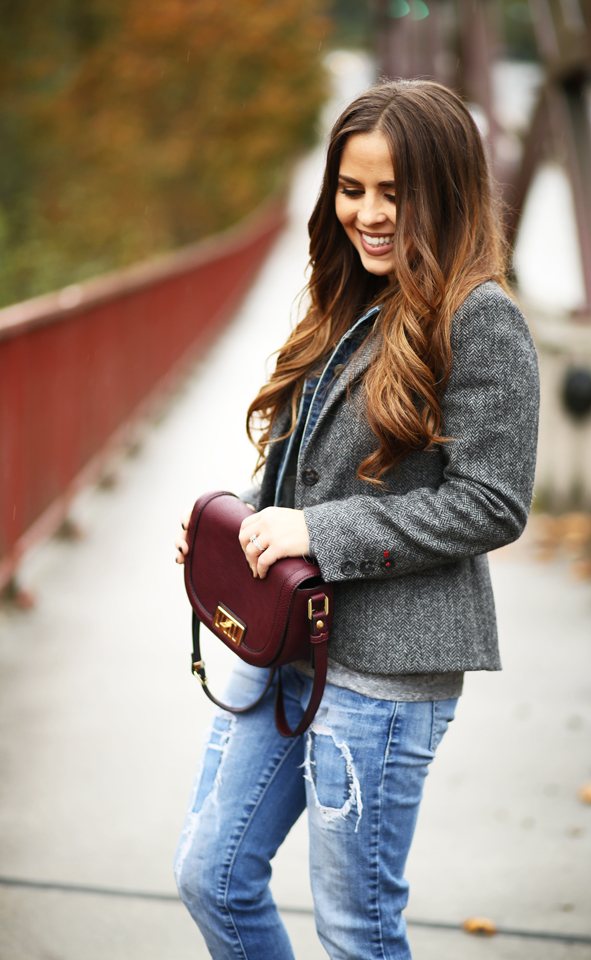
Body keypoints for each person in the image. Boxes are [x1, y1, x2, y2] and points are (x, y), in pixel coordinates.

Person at [173, 79, 539, 960]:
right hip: (288, 645)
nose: (369, 215)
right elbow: (307, 468)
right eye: (351, 189)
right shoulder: (349, 297)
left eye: (394, 193)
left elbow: (492, 503)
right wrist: (241, 524)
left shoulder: (481, 321)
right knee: (209, 876)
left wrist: (318, 534)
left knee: (356, 933)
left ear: (444, 193)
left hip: (381, 677)